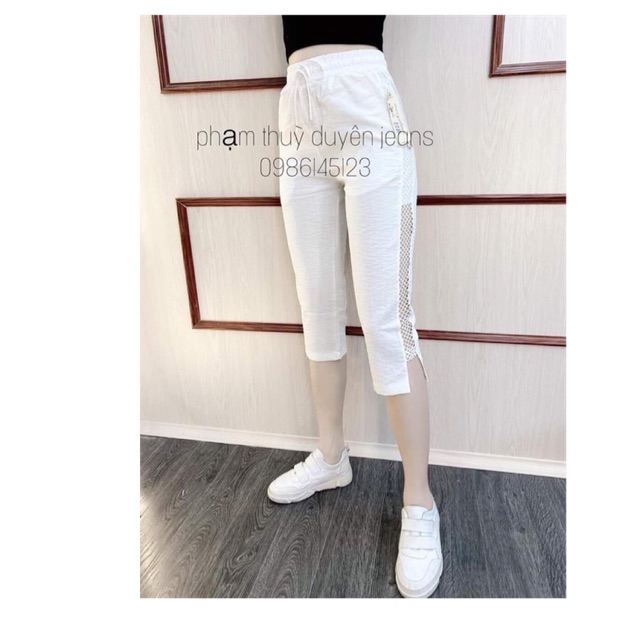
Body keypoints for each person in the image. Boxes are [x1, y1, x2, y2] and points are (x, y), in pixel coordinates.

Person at [267, 15, 443, 599]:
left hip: (366, 105)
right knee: (317, 306)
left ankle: (419, 501)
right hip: (298, 109)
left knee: (388, 321)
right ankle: (331, 456)